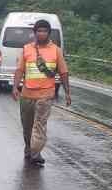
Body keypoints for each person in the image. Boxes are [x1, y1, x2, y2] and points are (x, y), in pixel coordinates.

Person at [11, 18, 70, 166]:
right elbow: (20, 70)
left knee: (39, 125)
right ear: (34, 33)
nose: (42, 34)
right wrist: (15, 87)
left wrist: (67, 92)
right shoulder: (26, 49)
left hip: (45, 94)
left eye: (44, 31)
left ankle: (35, 153)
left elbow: (63, 72)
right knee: (27, 126)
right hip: (27, 94)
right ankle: (29, 149)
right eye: (39, 31)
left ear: (49, 33)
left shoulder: (56, 50)